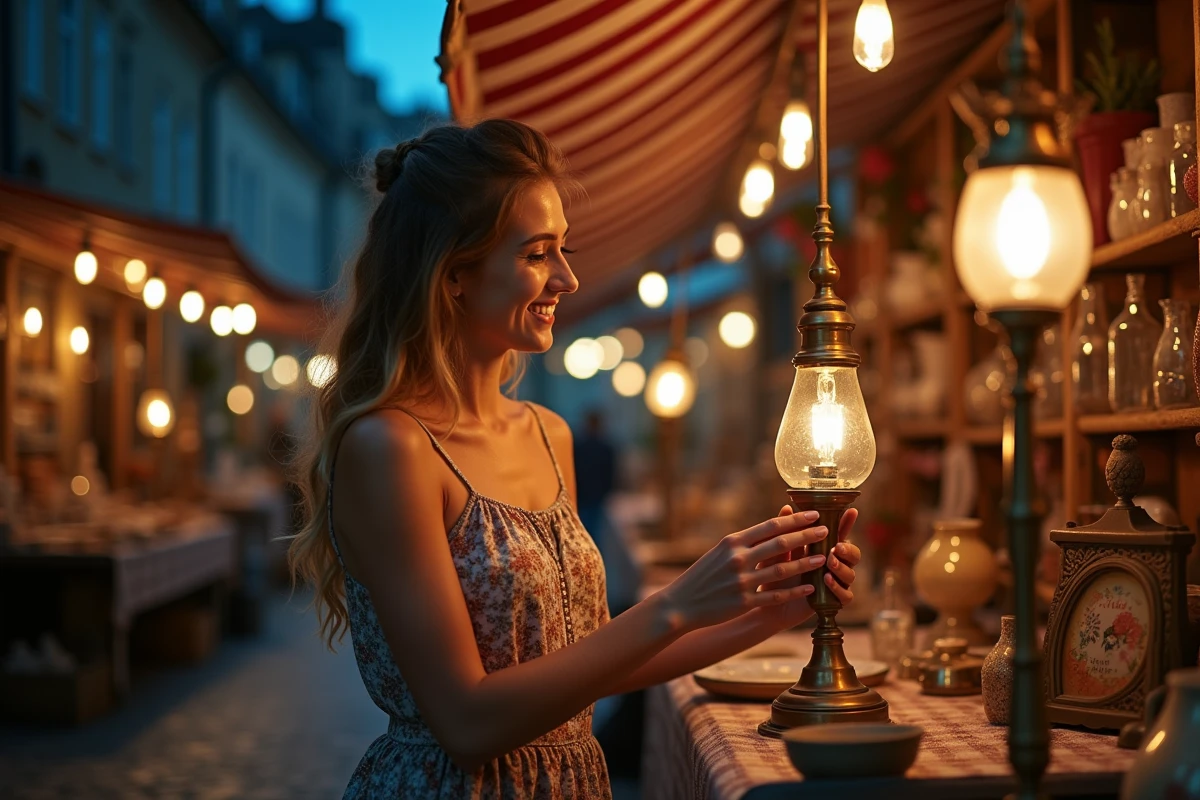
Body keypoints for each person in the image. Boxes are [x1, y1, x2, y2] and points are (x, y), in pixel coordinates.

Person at [287, 119, 862, 800]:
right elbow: (467, 723)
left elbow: (583, 669)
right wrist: (676, 604)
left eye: (564, 248)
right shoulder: (393, 448)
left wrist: (768, 613)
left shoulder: (547, 433)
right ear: (454, 274)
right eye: (537, 253)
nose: (568, 276)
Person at [572, 410, 616, 561]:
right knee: (593, 532)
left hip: (585, 495)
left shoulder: (580, 446)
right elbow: (610, 474)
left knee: (587, 531)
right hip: (593, 495)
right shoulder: (605, 447)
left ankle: (590, 560)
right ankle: (594, 560)